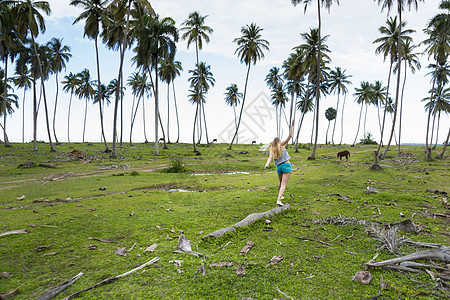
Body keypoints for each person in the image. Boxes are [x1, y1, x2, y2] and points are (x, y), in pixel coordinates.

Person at [264, 120, 294, 206]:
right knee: (284, 184)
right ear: (279, 142)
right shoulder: (282, 145)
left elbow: (270, 157)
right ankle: (279, 199)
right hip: (286, 165)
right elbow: (290, 136)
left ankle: (280, 195)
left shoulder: (273, 150)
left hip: (279, 168)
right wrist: (291, 126)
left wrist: (267, 164)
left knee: (280, 183)